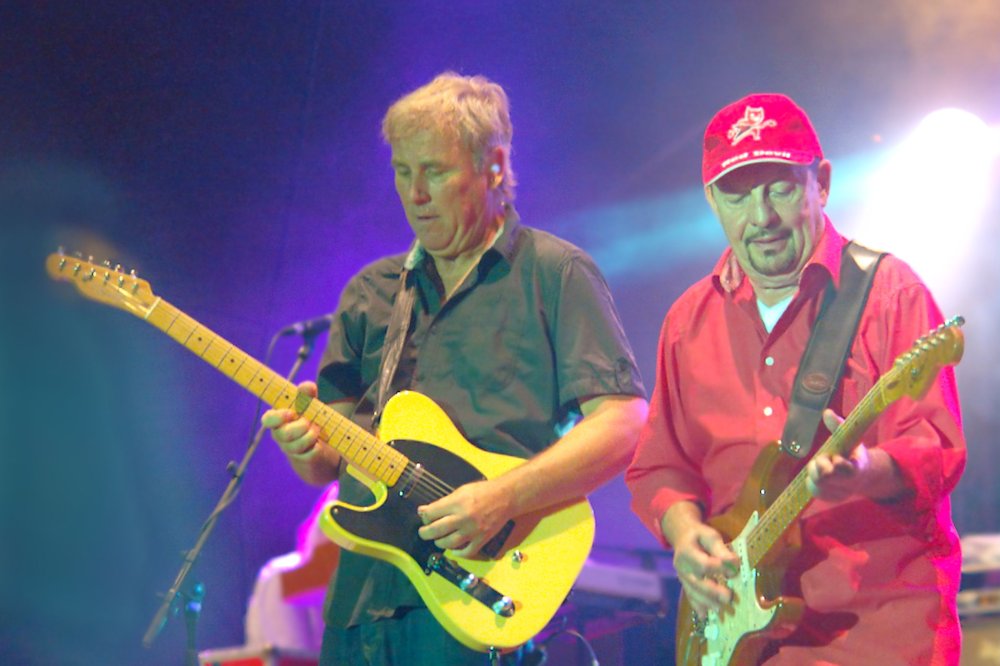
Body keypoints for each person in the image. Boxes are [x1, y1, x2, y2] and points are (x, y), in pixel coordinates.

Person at [261, 72, 648, 666]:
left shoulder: (555, 273)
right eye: (402, 172)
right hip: (361, 605)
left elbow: (622, 422)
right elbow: (324, 465)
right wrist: (301, 447)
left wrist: (503, 497)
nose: (415, 193)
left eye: (435, 172)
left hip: (478, 597)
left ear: (494, 167)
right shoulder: (371, 293)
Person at [625, 93, 966, 665]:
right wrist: (684, 535)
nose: (761, 218)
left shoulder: (891, 294)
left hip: (876, 635)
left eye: (779, 189)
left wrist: (864, 471)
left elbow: (935, 450)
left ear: (821, 184)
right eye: (737, 195)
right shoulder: (687, 321)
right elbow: (659, 466)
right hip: (734, 639)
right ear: (711, 201)